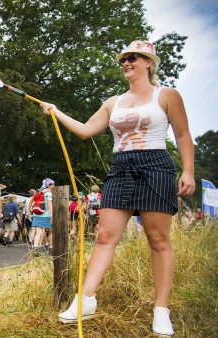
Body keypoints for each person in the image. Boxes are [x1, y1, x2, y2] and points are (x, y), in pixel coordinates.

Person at [40, 40, 195, 336]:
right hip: (120, 167)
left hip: (155, 165)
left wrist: (187, 170)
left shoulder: (167, 95)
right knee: (105, 235)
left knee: (158, 239)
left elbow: (183, 134)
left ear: (149, 62)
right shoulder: (114, 102)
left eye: (133, 57)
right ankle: (85, 300)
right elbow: (86, 131)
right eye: (123, 58)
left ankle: (161, 309)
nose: (126, 62)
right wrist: (56, 111)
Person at [29, 179, 55, 254]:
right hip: (45, 215)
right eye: (53, 184)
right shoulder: (48, 193)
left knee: (38, 232)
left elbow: (31, 201)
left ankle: (35, 248)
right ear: (49, 185)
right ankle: (50, 248)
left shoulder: (39, 192)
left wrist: (29, 210)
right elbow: (50, 205)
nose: (54, 185)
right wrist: (51, 216)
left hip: (36, 214)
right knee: (51, 231)